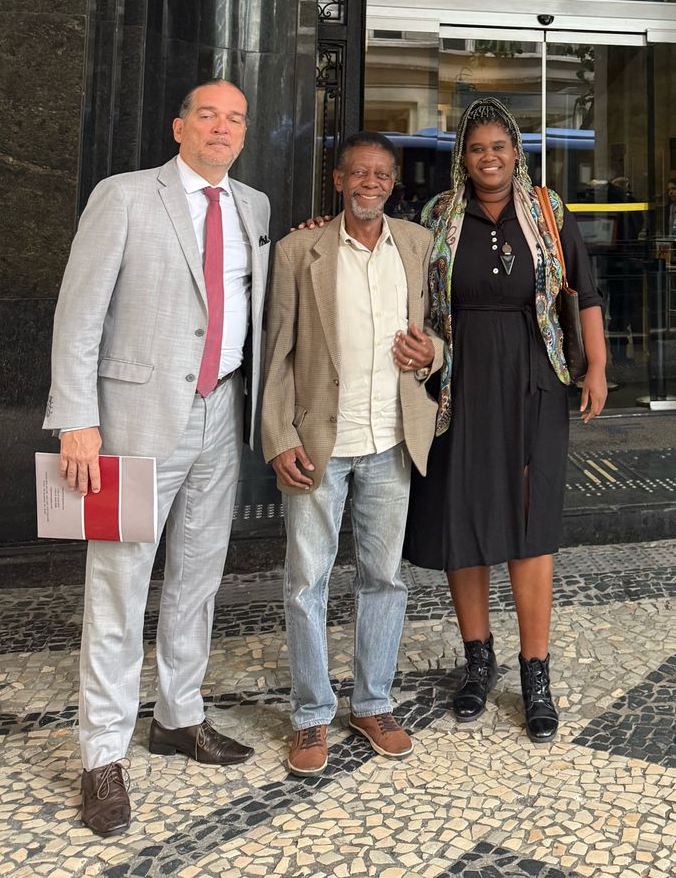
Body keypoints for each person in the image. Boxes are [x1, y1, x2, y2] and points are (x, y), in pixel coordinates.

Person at [44, 81, 271, 837]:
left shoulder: (255, 208)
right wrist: (77, 419)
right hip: (132, 421)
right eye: (208, 115)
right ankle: (102, 754)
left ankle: (178, 716)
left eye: (235, 119)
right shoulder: (125, 196)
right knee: (119, 585)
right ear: (179, 127)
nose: (221, 128)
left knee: (198, 578)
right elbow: (78, 313)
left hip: (222, 414)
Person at [404, 97, 608, 744]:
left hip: (535, 378)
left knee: (530, 520)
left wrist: (597, 368)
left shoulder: (548, 211)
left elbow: (585, 292)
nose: (488, 157)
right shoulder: (437, 216)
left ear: (516, 152)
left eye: (499, 146)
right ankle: (478, 660)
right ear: (462, 157)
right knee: (462, 515)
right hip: (456, 385)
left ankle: (534, 671)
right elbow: (396, 272)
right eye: (476, 148)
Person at [260, 131, 443, 776]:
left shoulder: (418, 245)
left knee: (384, 578)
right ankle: (311, 714)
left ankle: (372, 703)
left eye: (381, 174)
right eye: (358, 173)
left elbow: (443, 330)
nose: (371, 183)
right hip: (317, 443)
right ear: (338, 181)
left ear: (394, 183)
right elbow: (278, 352)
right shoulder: (299, 250)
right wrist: (278, 436)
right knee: (306, 581)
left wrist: (434, 353)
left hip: (391, 439)